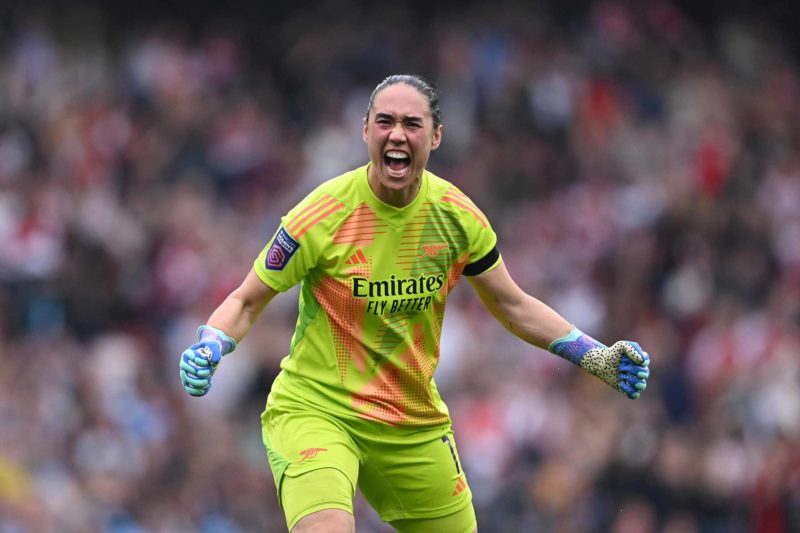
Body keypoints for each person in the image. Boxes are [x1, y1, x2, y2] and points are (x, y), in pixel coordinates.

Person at [178, 74, 650, 533]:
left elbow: (513, 305)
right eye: (384, 122)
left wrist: (594, 354)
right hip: (316, 410)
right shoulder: (322, 214)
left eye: (412, 123)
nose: (396, 134)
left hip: (410, 421)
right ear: (365, 131)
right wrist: (213, 343)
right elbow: (245, 300)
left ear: (436, 136)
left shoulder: (458, 219)